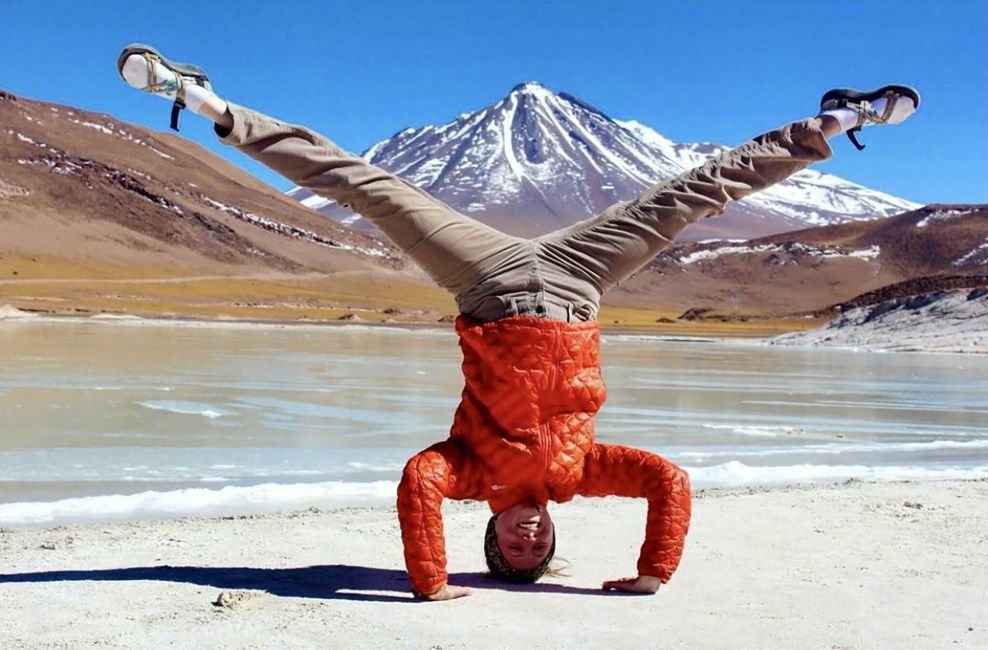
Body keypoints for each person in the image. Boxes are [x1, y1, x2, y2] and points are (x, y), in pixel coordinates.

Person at [117, 44, 919, 601]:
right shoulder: (579, 477)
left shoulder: (463, 475)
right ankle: (832, 124)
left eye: (516, 548)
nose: (532, 538)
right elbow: (668, 483)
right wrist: (652, 573)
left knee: (368, 189)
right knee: (692, 197)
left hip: (489, 285)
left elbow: (417, 484)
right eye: (542, 549)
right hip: (577, 284)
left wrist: (430, 584)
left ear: (494, 537)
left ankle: (204, 101)